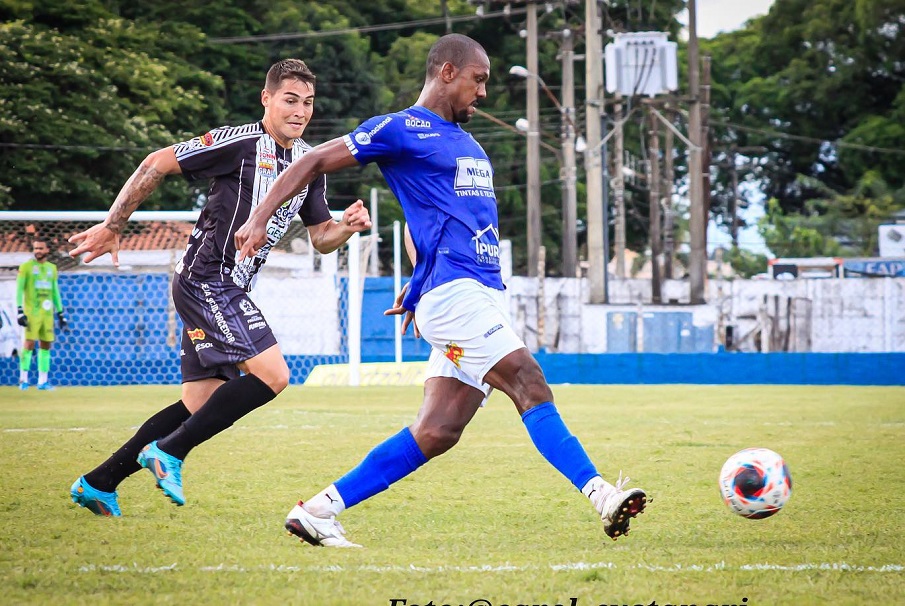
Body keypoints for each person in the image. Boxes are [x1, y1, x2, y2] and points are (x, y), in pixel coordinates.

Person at [234, 34, 647, 547]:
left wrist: (417, 278)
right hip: (457, 297)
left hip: (472, 290)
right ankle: (602, 494)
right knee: (528, 382)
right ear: (447, 72)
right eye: (480, 80)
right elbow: (310, 161)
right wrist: (258, 217)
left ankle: (318, 510)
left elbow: (421, 221)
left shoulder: (468, 145)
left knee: (438, 431)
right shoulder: (400, 128)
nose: (484, 92)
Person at [66, 59, 372, 517]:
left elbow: (321, 238)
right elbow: (156, 162)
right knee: (274, 375)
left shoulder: (309, 164)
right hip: (206, 277)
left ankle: (100, 481)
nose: (300, 111)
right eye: (290, 100)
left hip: (230, 288)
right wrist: (114, 225)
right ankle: (169, 453)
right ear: (266, 99)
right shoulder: (240, 142)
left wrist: (346, 227)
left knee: (198, 404)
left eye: (307, 103)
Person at [16, 238, 68, 391]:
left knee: (46, 345)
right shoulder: (26, 267)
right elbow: (19, 289)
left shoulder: (52, 268)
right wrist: (19, 310)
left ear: (47, 250)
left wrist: (60, 312)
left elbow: (55, 291)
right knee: (29, 344)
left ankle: (42, 381)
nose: (38, 251)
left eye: (41, 248)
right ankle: (23, 380)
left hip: (47, 314)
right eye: (36, 248)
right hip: (32, 312)